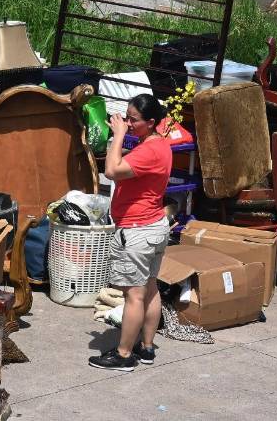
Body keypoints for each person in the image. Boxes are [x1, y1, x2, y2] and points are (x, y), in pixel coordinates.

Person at [89, 94, 172, 372]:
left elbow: (111, 170)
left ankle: (124, 354)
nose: (127, 123)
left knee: (134, 295)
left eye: (133, 120)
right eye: (126, 117)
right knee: (150, 288)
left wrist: (118, 136)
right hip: (154, 226)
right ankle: (146, 347)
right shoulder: (158, 144)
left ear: (151, 122)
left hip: (137, 231)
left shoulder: (149, 150)